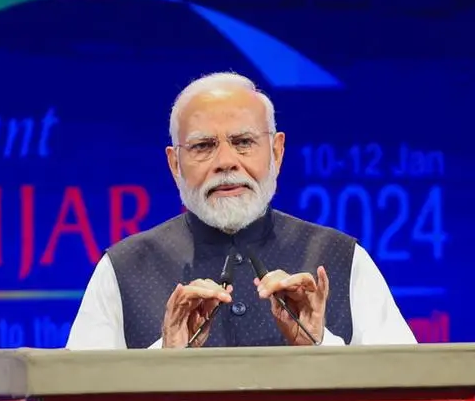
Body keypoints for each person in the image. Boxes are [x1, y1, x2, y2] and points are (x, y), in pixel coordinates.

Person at [66, 72, 416, 350]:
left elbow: (409, 396)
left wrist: (321, 345)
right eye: (203, 146)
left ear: (277, 152)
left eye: (244, 142)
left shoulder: (342, 258)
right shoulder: (124, 267)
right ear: (175, 164)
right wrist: (164, 359)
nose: (226, 162)